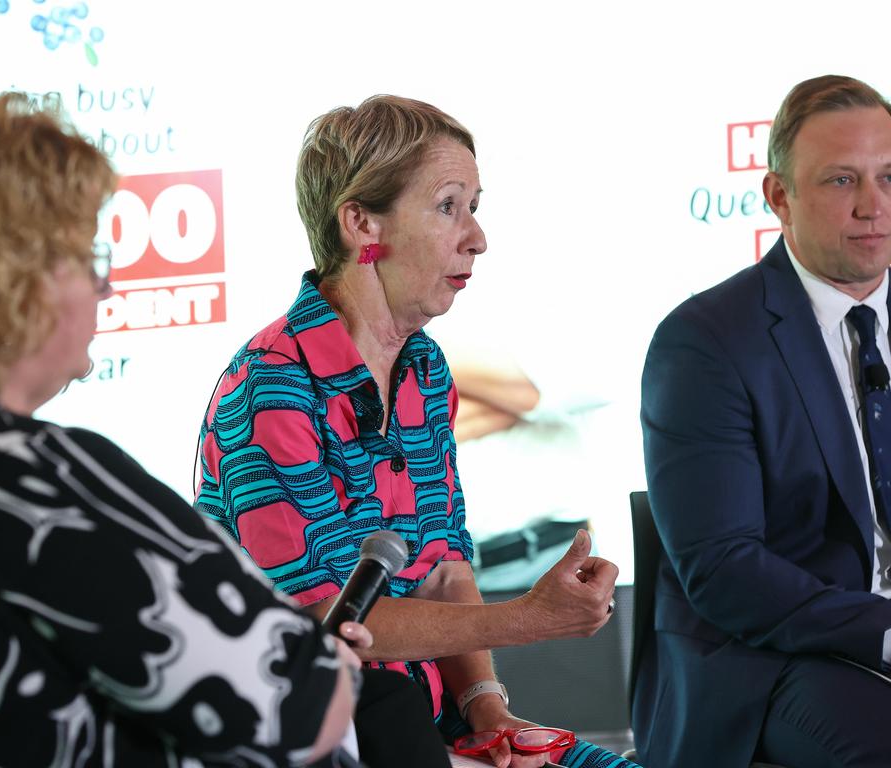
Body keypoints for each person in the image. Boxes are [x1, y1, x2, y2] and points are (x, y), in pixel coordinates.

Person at [0, 93, 369, 767]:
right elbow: (294, 705)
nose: (105, 290)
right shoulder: (26, 480)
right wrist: (332, 662)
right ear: (15, 280)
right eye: (88, 256)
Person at [195, 95, 637, 768]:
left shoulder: (425, 369)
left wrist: (489, 711)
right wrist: (532, 619)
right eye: (448, 206)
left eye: (475, 206)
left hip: (428, 727)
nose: (477, 237)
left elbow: (443, 570)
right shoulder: (270, 385)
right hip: (321, 737)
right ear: (360, 223)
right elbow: (328, 617)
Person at [639, 74, 891, 767]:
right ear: (778, 195)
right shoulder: (705, 342)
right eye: (841, 182)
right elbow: (722, 567)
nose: (874, 207)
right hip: (773, 655)